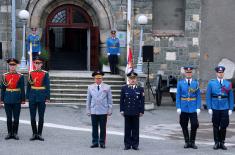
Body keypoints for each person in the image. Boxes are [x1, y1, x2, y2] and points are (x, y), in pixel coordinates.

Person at [206, 66, 234, 150]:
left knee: (224, 125)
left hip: (225, 107)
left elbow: (231, 97)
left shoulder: (228, 84)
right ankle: (216, 142)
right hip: (215, 107)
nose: (220, 74)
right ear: (216, 73)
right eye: (219, 72)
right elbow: (208, 96)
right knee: (215, 125)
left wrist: (230, 108)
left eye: (222, 72)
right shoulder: (211, 83)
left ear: (223, 73)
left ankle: (222, 142)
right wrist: (209, 107)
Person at [86, 71, 113, 149]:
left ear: (102, 78)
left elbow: (110, 99)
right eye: (96, 78)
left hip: (103, 110)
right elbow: (88, 99)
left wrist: (110, 109)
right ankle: (95, 142)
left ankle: (102, 142)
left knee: (103, 127)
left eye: (100, 78)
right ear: (94, 79)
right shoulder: (90, 87)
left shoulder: (107, 87)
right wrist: (88, 110)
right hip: (94, 109)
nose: (98, 80)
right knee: (94, 127)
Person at [176, 66, 201, 149]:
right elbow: (178, 96)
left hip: (193, 107)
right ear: (185, 73)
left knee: (194, 124)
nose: (188, 74)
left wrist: (198, 107)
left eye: (190, 72)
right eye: (187, 72)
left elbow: (198, 96)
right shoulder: (180, 83)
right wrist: (178, 107)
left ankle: (192, 141)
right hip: (183, 107)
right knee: (183, 124)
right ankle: (187, 141)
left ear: (192, 73)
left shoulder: (195, 83)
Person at [26, 56, 50, 141]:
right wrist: (27, 97)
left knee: (41, 117)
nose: (37, 64)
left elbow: (47, 86)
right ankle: (34, 133)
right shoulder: (31, 73)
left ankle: (39, 134)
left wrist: (47, 97)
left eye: (39, 63)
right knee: (32, 117)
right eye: (36, 63)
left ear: (41, 64)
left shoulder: (45, 73)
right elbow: (28, 86)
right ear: (34, 64)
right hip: (32, 96)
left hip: (41, 96)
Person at [1, 58, 25, 140]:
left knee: (16, 117)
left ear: (16, 65)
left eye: (14, 65)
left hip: (17, 99)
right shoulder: (4, 76)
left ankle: (15, 133)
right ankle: (9, 133)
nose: (12, 66)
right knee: (8, 118)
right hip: (7, 99)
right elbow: (3, 89)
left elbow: (22, 88)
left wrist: (23, 99)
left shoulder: (20, 76)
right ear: (9, 65)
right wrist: (1, 100)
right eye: (11, 65)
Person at [120, 70, 145, 150]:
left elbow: (142, 101)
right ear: (128, 79)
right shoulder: (124, 88)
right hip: (127, 111)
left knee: (135, 129)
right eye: (131, 78)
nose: (132, 80)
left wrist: (142, 111)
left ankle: (135, 145)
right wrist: (122, 110)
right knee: (127, 129)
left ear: (136, 79)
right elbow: (121, 100)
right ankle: (127, 144)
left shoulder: (140, 89)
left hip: (136, 111)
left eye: (134, 78)